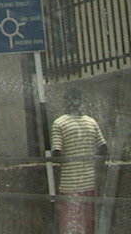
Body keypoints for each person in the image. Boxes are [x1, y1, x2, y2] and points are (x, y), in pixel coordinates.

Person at [51, 88, 107, 234]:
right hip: (89, 182)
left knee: (71, 225)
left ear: (66, 102)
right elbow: (104, 148)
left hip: (70, 185)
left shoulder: (59, 123)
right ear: (81, 102)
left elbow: (56, 154)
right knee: (88, 223)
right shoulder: (92, 122)